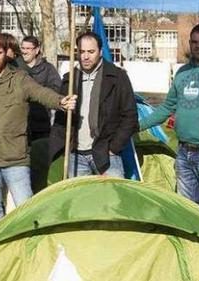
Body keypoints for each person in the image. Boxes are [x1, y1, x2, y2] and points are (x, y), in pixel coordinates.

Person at [0, 32, 76, 228]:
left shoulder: (20, 79)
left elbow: (40, 93)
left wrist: (60, 101)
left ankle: (31, 247)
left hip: (15, 158)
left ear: (6, 53)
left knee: (26, 208)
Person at [139, 23, 199, 207]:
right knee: (188, 209)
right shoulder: (182, 72)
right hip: (183, 152)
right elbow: (166, 107)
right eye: (194, 42)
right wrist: (136, 125)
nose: (198, 46)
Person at [50, 32, 137, 178]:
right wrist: (65, 146)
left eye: (91, 52)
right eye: (82, 51)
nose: (85, 56)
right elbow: (60, 119)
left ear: (100, 52)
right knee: (80, 200)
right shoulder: (69, 80)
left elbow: (130, 115)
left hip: (107, 156)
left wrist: (114, 148)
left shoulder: (117, 77)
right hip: (76, 157)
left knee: (111, 200)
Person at [20, 35, 61, 142]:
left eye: (28, 48)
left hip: (40, 124)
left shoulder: (48, 69)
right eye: (23, 48)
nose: (24, 52)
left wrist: (37, 92)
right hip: (19, 124)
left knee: (39, 156)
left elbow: (56, 90)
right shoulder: (16, 67)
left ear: (37, 50)